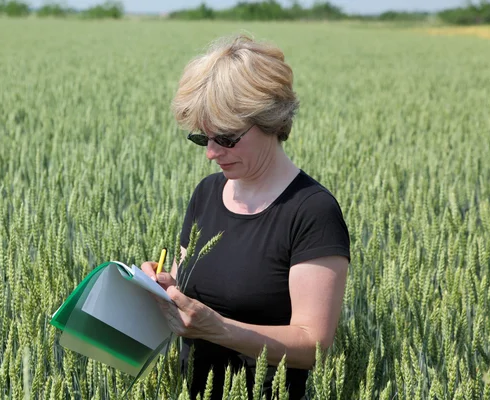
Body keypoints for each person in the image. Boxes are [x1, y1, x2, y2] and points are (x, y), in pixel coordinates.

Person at [141, 34, 350, 400]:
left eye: (225, 137)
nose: (210, 153)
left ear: (269, 120)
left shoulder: (312, 212)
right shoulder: (206, 194)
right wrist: (163, 288)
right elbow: (190, 283)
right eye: (201, 138)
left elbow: (313, 345)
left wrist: (218, 329)